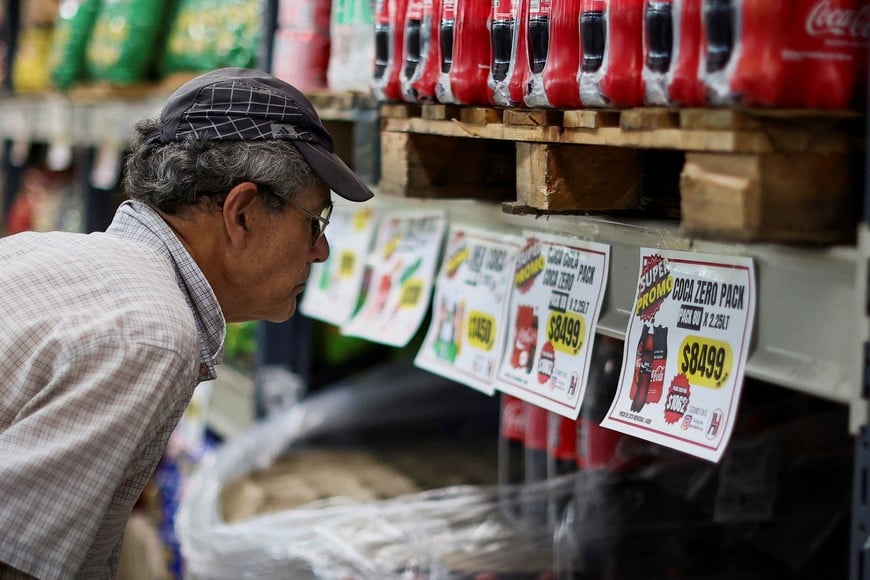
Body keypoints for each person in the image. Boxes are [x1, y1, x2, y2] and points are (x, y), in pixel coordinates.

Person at [0, 67, 373, 579]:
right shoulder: (152, 335)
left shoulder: (41, 253)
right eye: (315, 221)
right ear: (240, 213)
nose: (321, 251)